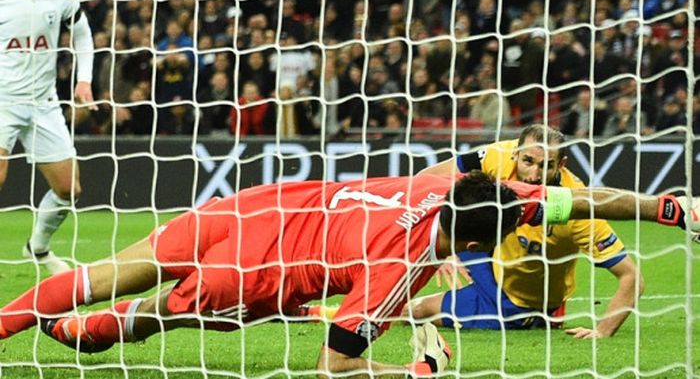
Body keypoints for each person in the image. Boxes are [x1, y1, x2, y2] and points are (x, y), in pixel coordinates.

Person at [1, 172, 698, 376]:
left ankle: (15, 319)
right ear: (498, 232)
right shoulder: (404, 265)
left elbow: (596, 198)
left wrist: (674, 209)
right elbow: (333, 366)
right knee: (162, 314)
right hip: (256, 274)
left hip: (252, 207)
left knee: (113, 270)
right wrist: (416, 373)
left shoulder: (443, 182)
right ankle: (90, 334)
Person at [406, 125, 695, 339]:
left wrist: (603, 331)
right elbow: (424, 181)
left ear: (562, 165)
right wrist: (445, 249)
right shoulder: (497, 155)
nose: (533, 175)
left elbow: (632, 277)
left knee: (410, 312)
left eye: (546, 166)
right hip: (491, 254)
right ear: (516, 154)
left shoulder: (579, 208)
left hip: (513, 301)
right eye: (528, 161)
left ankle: (538, 317)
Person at [0, 0, 95, 274]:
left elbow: (83, 38)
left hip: (44, 103)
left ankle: (38, 248)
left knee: (70, 189)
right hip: (3, 102)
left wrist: (83, 82)